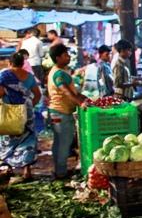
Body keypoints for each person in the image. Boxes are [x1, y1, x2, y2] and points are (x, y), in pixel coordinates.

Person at [47, 44, 89, 179]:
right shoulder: (58, 74)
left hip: (56, 112)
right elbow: (66, 92)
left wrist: (84, 98)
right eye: (65, 55)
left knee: (59, 143)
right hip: (61, 113)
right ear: (58, 58)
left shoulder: (58, 71)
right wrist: (81, 102)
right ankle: (61, 173)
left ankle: (59, 169)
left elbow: (73, 92)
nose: (68, 57)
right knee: (64, 143)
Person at [0, 52, 41, 182]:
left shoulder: (4, 75)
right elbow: (37, 94)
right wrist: (29, 106)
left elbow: (0, 92)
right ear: (23, 64)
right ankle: (26, 171)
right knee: (28, 139)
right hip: (26, 111)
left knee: (8, 138)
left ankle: (8, 169)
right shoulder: (29, 76)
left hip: (9, 111)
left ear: (10, 63)